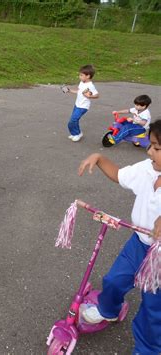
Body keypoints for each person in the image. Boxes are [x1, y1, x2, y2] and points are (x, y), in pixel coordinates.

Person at [77, 119, 161, 354]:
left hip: (160, 259)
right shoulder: (147, 168)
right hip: (139, 243)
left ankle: (149, 349)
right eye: (150, 145)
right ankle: (108, 311)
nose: (149, 151)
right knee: (114, 280)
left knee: (153, 309)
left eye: (156, 148)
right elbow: (119, 175)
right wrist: (99, 158)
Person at [64, 65, 99, 142]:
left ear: (88, 76)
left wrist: (90, 96)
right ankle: (75, 133)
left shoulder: (90, 85)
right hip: (77, 105)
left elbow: (97, 95)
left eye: (81, 75)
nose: (79, 76)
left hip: (83, 107)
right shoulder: (81, 83)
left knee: (73, 120)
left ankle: (78, 133)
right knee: (73, 120)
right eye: (79, 75)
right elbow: (78, 91)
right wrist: (69, 90)